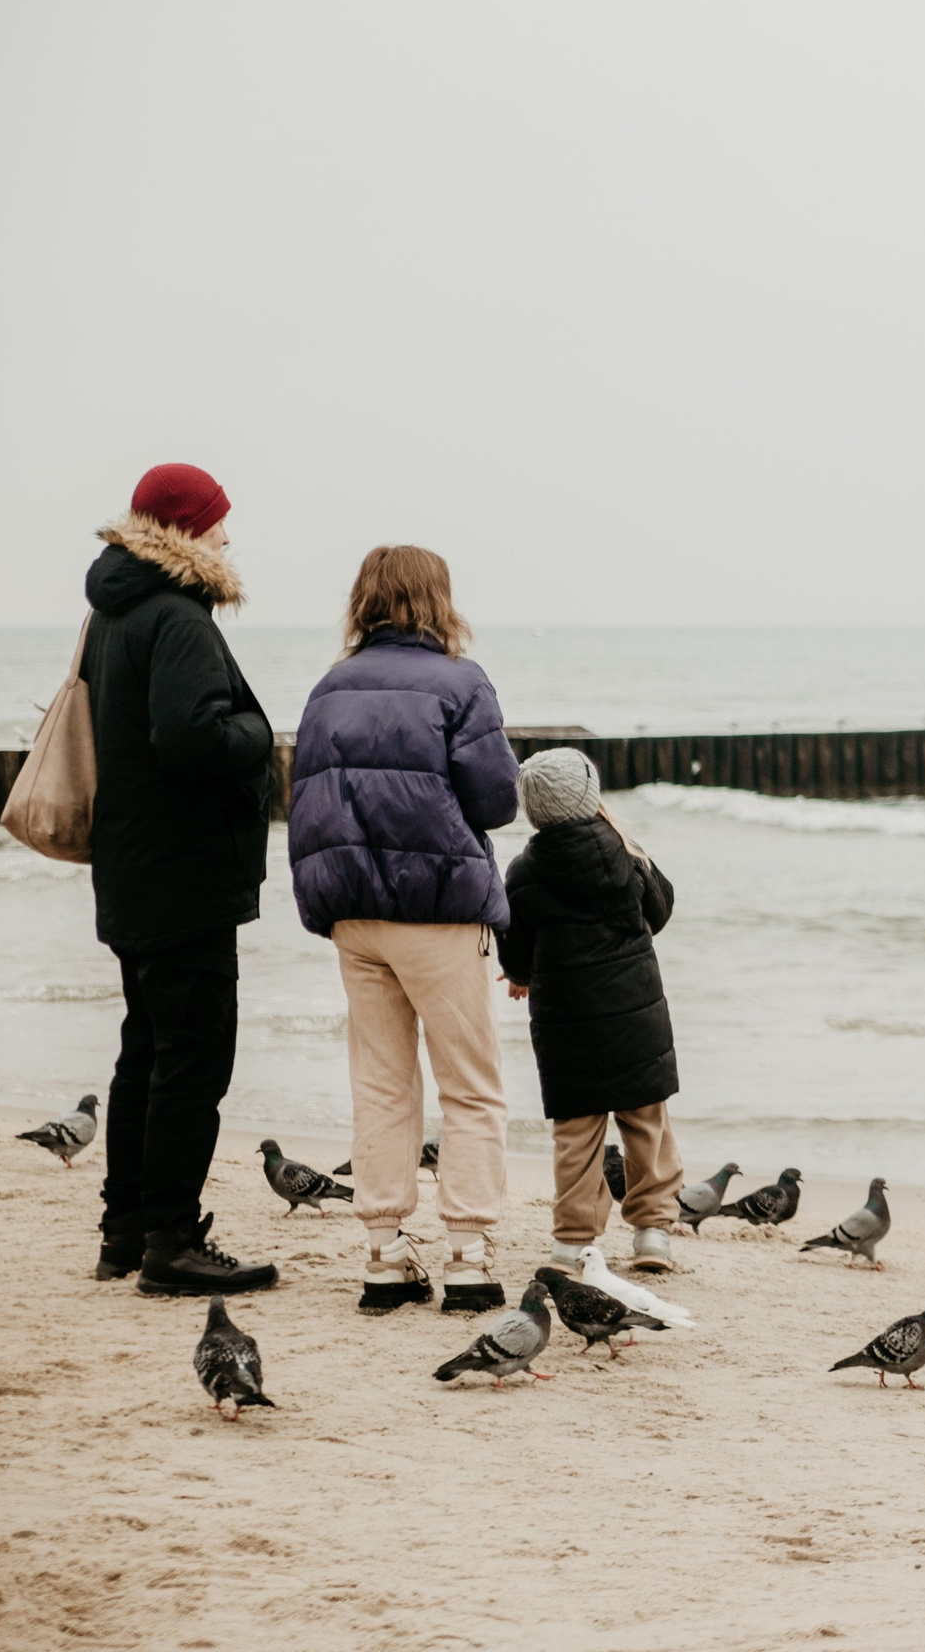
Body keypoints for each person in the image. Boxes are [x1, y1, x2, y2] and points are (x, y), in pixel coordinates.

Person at [286, 546, 521, 1314]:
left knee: (381, 1084)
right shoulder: (461, 682)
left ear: (364, 601)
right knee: (471, 1088)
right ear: (437, 599)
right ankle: (469, 1256)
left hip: (353, 913)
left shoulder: (328, 688)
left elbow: (308, 803)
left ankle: (384, 1255)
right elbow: (494, 802)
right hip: (438, 908)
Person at [82, 462, 280, 1295]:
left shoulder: (111, 613)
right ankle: (171, 1240)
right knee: (193, 1063)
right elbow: (190, 738)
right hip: (184, 876)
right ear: (184, 529)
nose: (228, 536)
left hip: (131, 867)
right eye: (217, 522)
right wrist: (258, 735)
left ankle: (124, 1230)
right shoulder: (180, 618)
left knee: (146, 1052)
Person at [497, 749, 685, 1273]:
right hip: (636, 1020)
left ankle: (571, 1240)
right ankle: (652, 1234)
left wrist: (520, 977)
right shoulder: (626, 854)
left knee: (576, 1137)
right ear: (591, 797)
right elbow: (661, 910)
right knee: (647, 1125)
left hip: (566, 1032)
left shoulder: (524, 872)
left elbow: (514, 947)